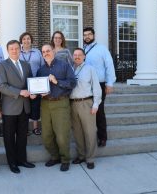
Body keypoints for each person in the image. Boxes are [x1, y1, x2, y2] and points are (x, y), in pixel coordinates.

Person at [0, 40, 36, 174]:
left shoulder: (26, 65)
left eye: (17, 48)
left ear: (20, 49)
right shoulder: (2, 65)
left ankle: (22, 160)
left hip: (24, 107)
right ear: (8, 51)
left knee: (22, 136)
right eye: (11, 49)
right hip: (10, 108)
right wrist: (19, 92)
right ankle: (12, 163)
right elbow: (1, 86)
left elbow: (30, 83)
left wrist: (33, 92)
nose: (14, 51)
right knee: (9, 137)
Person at [37, 44, 76, 172]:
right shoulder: (41, 70)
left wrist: (57, 82)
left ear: (53, 51)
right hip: (45, 104)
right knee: (46, 135)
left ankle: (65, 159)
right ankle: (55, 157)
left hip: (60, 103)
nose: (46, 53)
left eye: (48, 50)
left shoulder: (64, 65)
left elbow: (72, 83)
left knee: (62, 135)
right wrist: (38, 92)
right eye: (43, 52)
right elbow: (37, 87)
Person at [83, 27, 116, 147]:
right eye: (85, 35)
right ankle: (91, 135)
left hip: (100, 85)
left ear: (93, 35)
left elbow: (109, 65)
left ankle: (102, 137)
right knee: (89, 110)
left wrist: (109, 83)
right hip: (86, 85)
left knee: (99, 111)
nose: (87, 37)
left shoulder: (102, 49)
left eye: (89, 34)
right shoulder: (82, 50)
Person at [70, 48, 102, 169]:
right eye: (75, 55)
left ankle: (90, 158)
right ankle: (81, 155)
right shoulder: (70, 69)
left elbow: (97, 87)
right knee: (77, 132)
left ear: (84, 57)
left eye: (79, 55)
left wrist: (96, 104)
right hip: (73, 103)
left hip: (86, 102)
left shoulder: (90, 69)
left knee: (90, 132)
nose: (77, 57)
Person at [19, 32, 45, 135]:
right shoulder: (18, 53)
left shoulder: (37, 52)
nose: (26, 40)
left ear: (31, 40)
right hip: (23, 82)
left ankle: (35, 127)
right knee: (24, 105)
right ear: (21, 41)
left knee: (35, 105)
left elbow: (42, 66)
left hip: (36, 82)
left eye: (28, 38)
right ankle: (25, 128)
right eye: (24, 39)